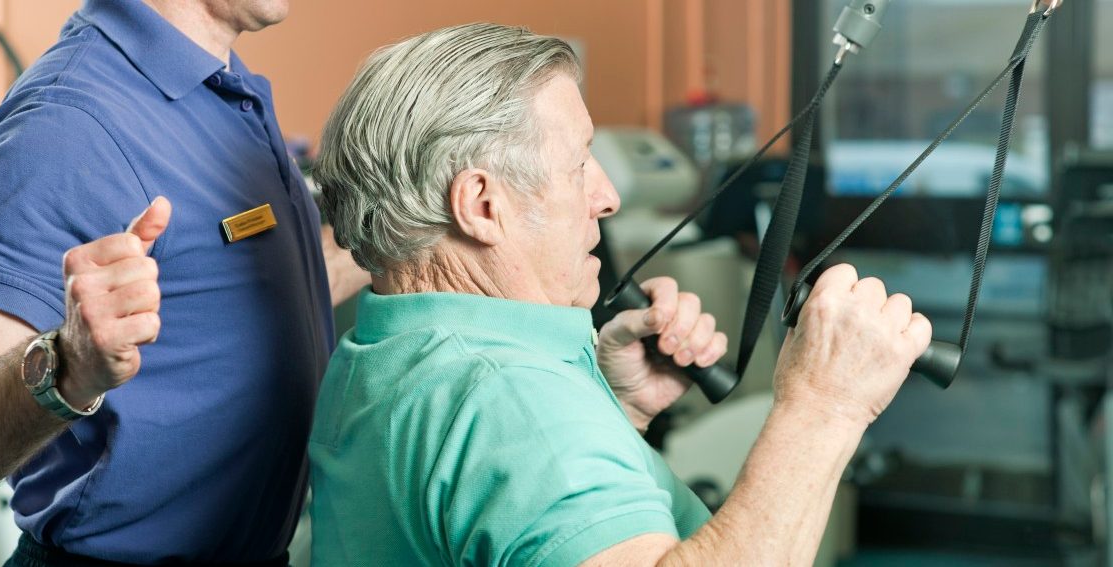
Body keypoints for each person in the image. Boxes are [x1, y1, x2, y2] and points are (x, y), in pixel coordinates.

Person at [308, 23, 933, 566]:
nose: (606, 196)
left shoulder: (378, 347)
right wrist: (825, 405)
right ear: (482, 205)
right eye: (580, 162)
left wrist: (613, 410)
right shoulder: (511, 403)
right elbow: (511, 434)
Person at [0, 0, 368, 564]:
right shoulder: (65, 122)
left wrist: (412, 225)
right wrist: (66, 364)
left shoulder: (222, 90)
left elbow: (240, 304)